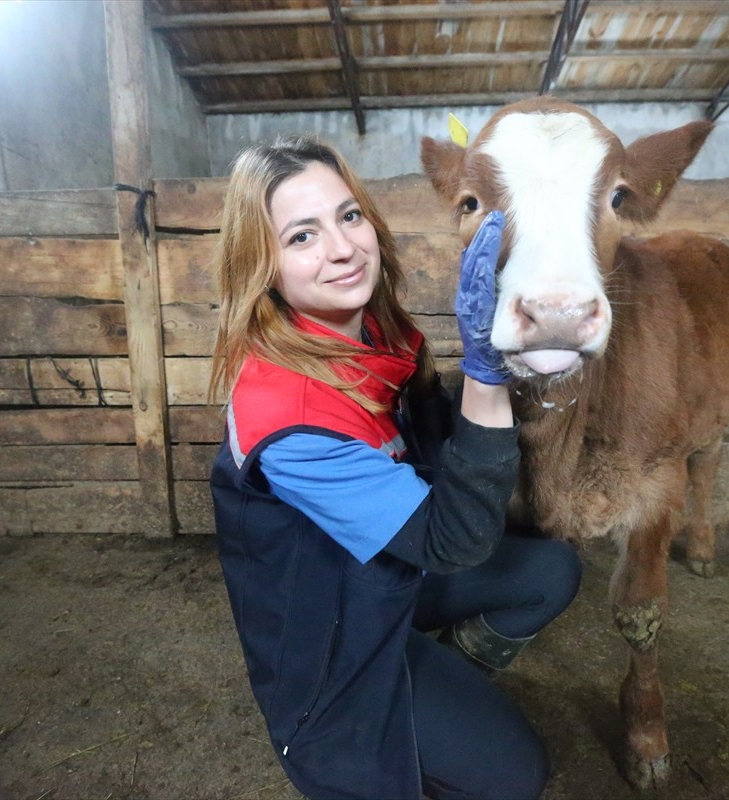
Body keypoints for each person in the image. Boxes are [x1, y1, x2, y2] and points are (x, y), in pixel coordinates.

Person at [208, 134, 581, 800]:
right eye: (301, 237)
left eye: (348, 216)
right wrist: (484, 376)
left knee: (553, 569)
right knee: (515, 778)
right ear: (262, 265)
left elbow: (437, 448)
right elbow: (456, 539)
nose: (343, 247)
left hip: (385, 575)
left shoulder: (373, 333)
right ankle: (394, 718)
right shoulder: (286, 418)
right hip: (331, 637)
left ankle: (447, 678)